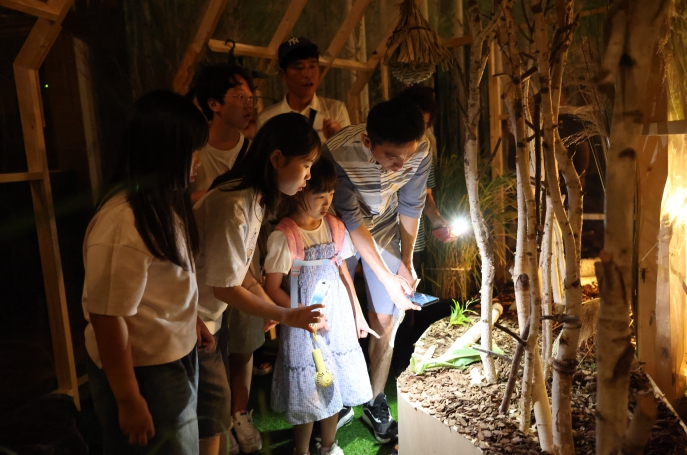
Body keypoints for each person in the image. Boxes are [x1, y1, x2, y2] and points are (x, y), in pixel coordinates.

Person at [82, 90, 212, 455]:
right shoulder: (122, 221)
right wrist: (128, 399)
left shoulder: (159, 203)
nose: (198, 160)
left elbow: (164, 283)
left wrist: (190, 321)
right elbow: (107, 316)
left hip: (169, 356)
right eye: (191, 150)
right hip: (142, 370)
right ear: (164, 153)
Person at [194, 112, 325, 453]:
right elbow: (224, 286)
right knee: (209, 417)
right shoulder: (234, 203)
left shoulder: (253, 198)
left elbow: (239, 273)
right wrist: (283, 314)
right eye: (306, 165)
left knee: (214, 415)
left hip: (209, 317)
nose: (309, 176)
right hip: (193, 320)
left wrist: (271, 306)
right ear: (277, 159)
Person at [324, 97, 429, 444]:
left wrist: (406, 262)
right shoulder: (338, 153)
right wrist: (386, 275)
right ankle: (339, 399)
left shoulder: (421, 148)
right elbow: (350, 217)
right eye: (392, 157)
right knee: (340, 316)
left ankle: (374, 397)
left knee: (387, 316)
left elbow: (411, 204)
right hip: (340, 230)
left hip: (384, 227)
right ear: (368, 141)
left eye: (407, 156)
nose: (401, 165)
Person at [264, 158, 378, 455]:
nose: (327, 202)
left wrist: (358, 315)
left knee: (332, 379)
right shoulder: (285, 235)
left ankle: (328, 445)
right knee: (307, 386)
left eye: (331, 193)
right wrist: (300, 314)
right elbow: (272, 288)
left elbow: (344, 274)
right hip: (302, 323)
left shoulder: (335, 227)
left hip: (336, 316)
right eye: (320, 195)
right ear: (300, 192)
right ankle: (301, 450)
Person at [396, 85, 455, 276]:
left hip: (413, 238)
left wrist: (438, 221)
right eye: (414, 123)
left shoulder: (424, 150)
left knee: (410, 285)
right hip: (383, 237)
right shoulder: (382, 147)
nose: (418, 130)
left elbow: (425, 195)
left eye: (425, 124)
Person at [258, 37, 350, 143]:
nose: (308, 74)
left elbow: (351, 153)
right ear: (283, 74)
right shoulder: (267, 119)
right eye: (299, 68)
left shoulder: (336, 111)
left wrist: (338, 140)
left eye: (312, 66)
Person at [191, 64, 255, 204]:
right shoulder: (191, 149)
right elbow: (174, 200)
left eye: (250, 98)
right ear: (214, 104)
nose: (249, 105)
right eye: (241, 97)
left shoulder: (254, 152)